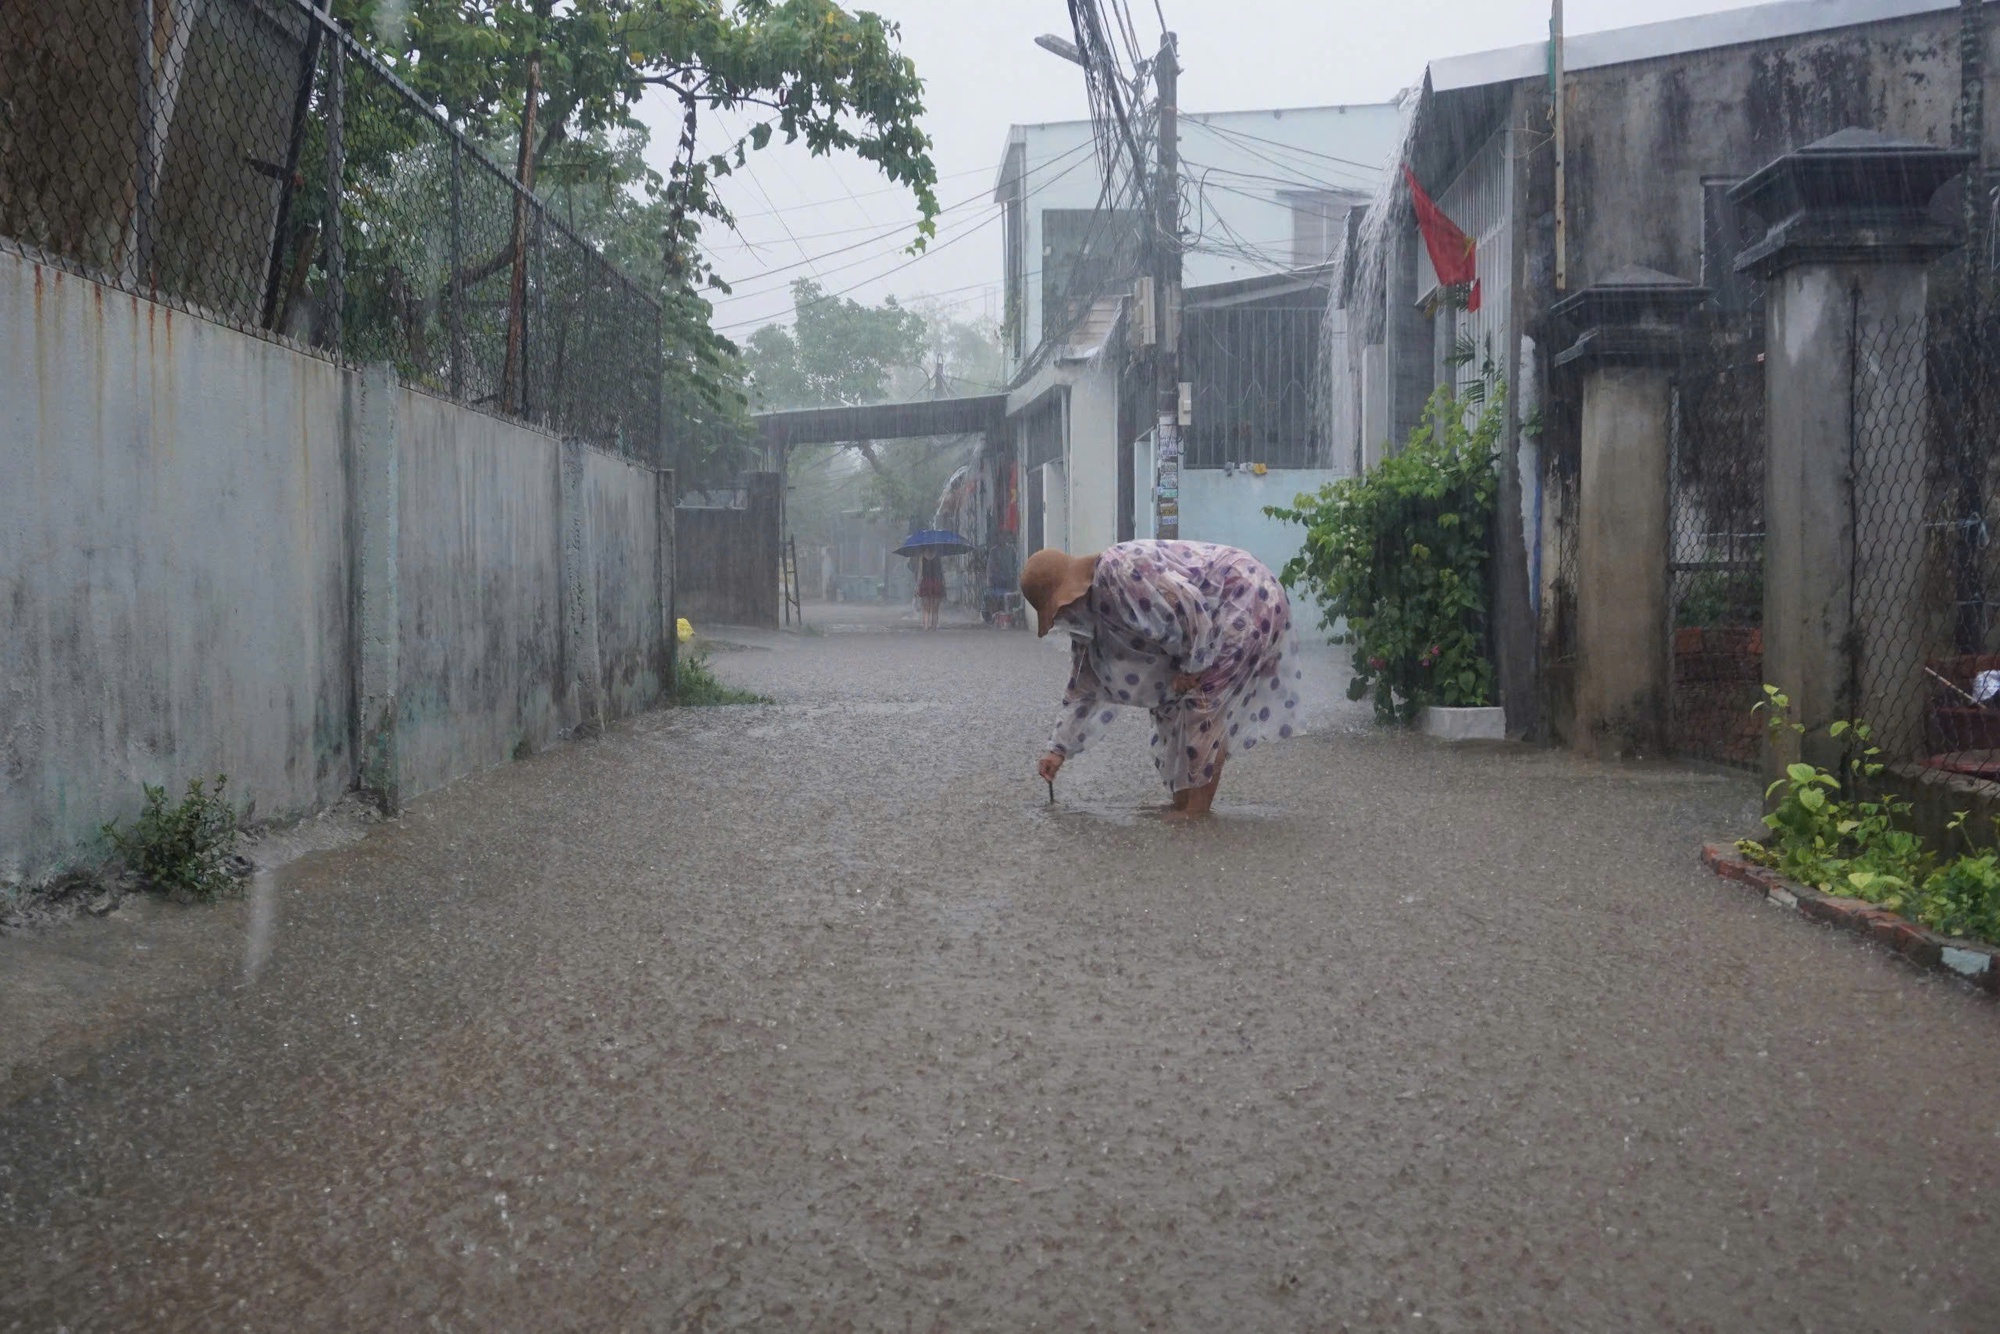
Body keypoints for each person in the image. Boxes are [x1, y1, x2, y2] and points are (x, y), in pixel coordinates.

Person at [1021, 541, 1304, 818]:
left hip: (1247, 594)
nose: (1064, 618)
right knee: (1174, 706)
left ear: (1073, 593)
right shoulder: (1090, 623)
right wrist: (1057, 750)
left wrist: (1193, 669)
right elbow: (1082, 688)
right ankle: (1184, 804)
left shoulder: (1120, 570)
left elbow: (1190, 607)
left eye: (1060, 610)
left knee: (1201, 701)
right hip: (1220, 616)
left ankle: (1196, 812)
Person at [915, 552, 946, 630]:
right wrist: (943, 582)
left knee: (925, 608)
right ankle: (934, 627)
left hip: (925, 583)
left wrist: (918, 585)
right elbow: (941, 571)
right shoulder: (938, 555)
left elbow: (920, 572)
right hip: (936, 583)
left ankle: (925, 627)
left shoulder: (922, 556)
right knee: (935, 609)